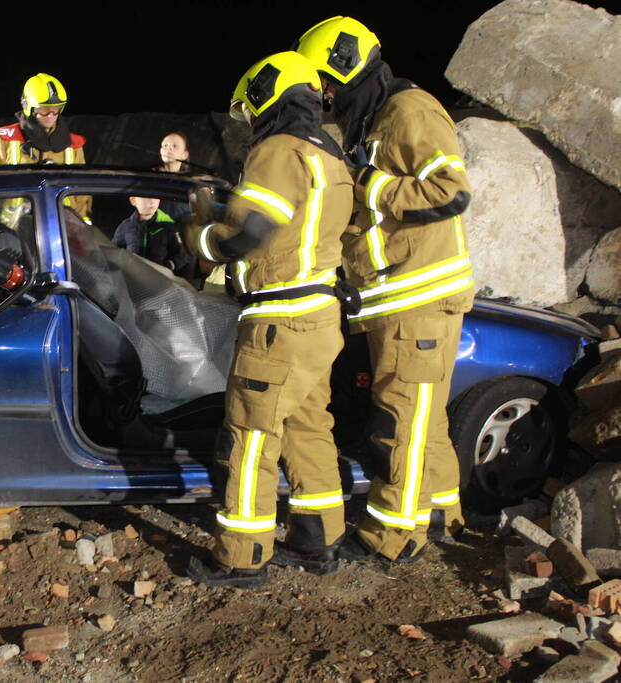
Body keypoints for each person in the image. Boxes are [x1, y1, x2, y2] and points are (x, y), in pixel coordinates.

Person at [297, 16, 473, 563]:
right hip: (397, 297)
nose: (323, 96)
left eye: (324, 83)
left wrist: (372, 186)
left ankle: (394, 537)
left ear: (344, 67)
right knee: (424, 417)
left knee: (399, 422)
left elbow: (450, 190)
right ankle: (443, 515)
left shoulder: (408, 110)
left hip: (416, 297)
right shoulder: (373, 118)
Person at [184, 51, 354, 587]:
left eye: (250, 107)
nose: (250, 119)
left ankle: (240, 556)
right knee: (308, 427)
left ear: (266, 94)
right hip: (320, 316)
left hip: (280, 319)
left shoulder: (278, 152)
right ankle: (319, 539)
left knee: (251, 435)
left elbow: (248, 233)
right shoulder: (330, 155)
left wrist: (202, 236)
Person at [0, 73, 91, 221]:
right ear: (29, 107)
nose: (51, 115)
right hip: (12, 227)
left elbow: (82, 193)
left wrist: (82, 225)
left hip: (60, 225)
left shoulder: (73, 145)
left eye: (57, 108)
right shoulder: (6, 139)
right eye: (44, 109)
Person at [112, 196, 190, 275]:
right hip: (132, 278)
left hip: (158, 280)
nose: (152, 201)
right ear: (133, 200)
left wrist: (169, 265)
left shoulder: (168, 226)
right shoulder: (126, 226)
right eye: (145, 197)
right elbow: (113, 250)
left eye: (156, 197)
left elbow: (182, 255)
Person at [157, 132, 193, 223]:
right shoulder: (150, 177)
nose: (169, 148)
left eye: (175, 146)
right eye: (165, 145)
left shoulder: (190, 182)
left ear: (185, 154)